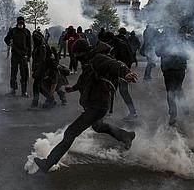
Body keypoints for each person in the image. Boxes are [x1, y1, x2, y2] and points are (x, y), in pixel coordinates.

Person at [34, 39, 137, 173]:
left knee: (70, 133)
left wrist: (126, 73)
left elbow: (114, 64)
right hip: (97, 104)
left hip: (98, 105)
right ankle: (126, 136)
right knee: (98, 126)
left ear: (81, 52)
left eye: (76, 55)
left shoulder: (98, 58)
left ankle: (48, 163)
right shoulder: (89, 61)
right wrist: (74, 88)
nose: (76, 58)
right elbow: (85, 79)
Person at [101, 31, 138, 121]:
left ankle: (133, 113)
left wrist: (124, 73)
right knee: (111, 90)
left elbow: (127, 60)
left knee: (123, 91)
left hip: (122, 73)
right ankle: (108, 111)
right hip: (117, 71)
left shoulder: (121, 45)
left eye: (107, 41)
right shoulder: (116, 45)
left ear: (110, 39)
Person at [156, 27, 189, 126]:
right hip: (180, 70)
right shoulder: (181, 43)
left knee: (170, 92)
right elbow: (188, 56)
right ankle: (185, 107)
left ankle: (173, 115)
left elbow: (157, 53)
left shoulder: (163, 43)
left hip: (169, 70)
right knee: (178, 88)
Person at [4, 16, 32, 97]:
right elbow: (6, 39)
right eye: (19, 23)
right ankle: (13, 91)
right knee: (13, 74)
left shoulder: (27, 32)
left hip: (24, 57)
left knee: (24, 75)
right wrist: (10, 43)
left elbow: (29, 45)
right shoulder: (13, 31)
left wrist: (29, 57)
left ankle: (24, 92)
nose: (20, 25)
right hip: (15, 56)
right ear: (17, 23)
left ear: (24, 23)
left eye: (22, 23)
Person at [30, 30, 50, 108]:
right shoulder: (38, 46)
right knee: (38, 86)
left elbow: (42, 60)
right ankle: (38, 101)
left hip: (41, 69)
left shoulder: (42, 46)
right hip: (38, 69)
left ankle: (38, 101)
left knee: (37, 86)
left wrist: (38, 71)